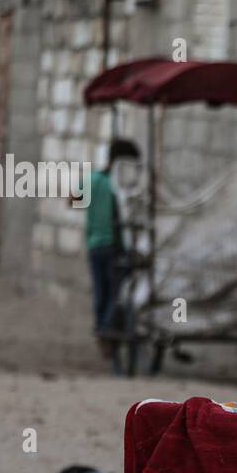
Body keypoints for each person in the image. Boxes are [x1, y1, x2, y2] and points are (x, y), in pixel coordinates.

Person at [74, 138, 140, 357]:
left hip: (94, 244)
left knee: (101, 291)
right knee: (117, 292)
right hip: (114, 244)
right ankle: (106, 329)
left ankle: (101, 329)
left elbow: (73, 200)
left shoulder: (92, 179)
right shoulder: (119, 185)